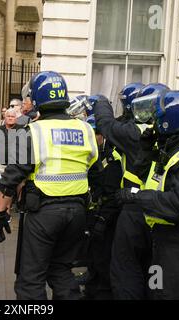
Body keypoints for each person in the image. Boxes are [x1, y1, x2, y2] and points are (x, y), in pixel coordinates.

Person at [0, 71, 98, 300]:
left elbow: (11, 179)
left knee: (31, 280)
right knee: (61, 270)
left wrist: (0, 215)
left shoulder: (31, 131)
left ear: (38, 98)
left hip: (43, 213)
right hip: (78, 212)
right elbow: (91, 163)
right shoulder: (86, 129)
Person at [116, 90, 179, 300]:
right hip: (163, 240)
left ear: (168, 120)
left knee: (169, 295)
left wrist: (137, 196)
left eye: (157, 117)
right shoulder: (173, 147)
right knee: (156, 291)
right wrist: (145, 149)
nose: (153, 121)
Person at [93, 82, 168, 299]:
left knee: (126, 270)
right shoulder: (171, 135)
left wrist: (101, 103)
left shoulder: (135, 132)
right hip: (162, 211)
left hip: (134, 210)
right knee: (155, 271)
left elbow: (106, 125)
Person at [67, 95, 123, 300]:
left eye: (94, 135)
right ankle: (91, 289)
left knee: (102, 259)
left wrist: (101, 218)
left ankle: (100, 292)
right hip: (92, 211)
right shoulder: (96, 154)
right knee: (92, 257)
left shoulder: (111, 157)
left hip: (107, 216)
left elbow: (112, 192)